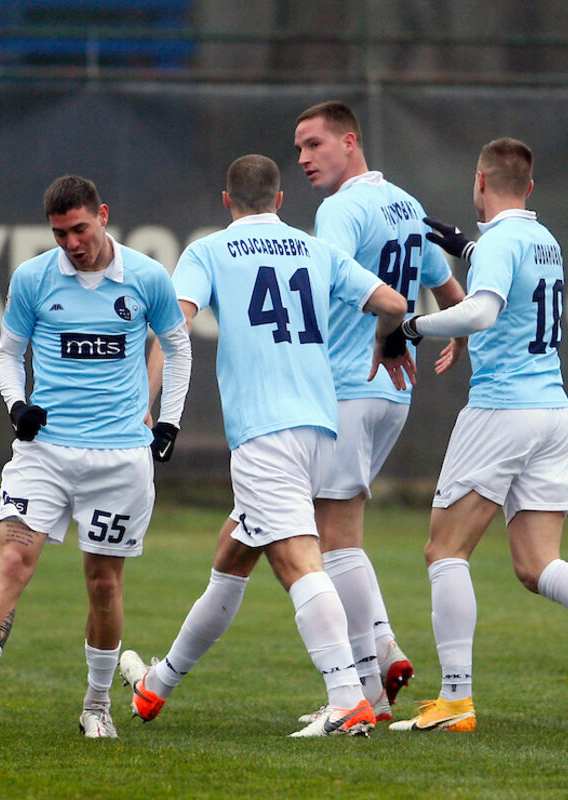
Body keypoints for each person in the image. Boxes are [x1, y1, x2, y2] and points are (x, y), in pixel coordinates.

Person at [120, 154, 413, 738]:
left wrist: (142, 404)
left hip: (264, 432)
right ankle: (157, 686)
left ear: (226, 201)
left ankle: (347, 700)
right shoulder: (315, 249)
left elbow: (174, 329)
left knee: (298, 561)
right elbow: (396, 304)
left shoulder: (208, 250)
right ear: (280, 200)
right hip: (320, 429)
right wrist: (387, 342)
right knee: (232, 557)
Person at [386, 138, 568, 733]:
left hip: (502, 409)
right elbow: (508, 281)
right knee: (538, 564)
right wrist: (467, 247)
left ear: (479, 182)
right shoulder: (544, 240)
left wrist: (410, 326)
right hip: (552, 412)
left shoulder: (499, 243)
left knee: (444, 552)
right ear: (530, 187)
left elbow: (482, 310)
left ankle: (456, 701)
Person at [0, 175, 191, 740]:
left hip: (119, 458)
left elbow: (178, 347)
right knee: (12, 561)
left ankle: (96, 705)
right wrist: (17, 405)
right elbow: (8, 354)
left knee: (103, 584)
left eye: (79, 229)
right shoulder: (32, 278)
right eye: (59, 234)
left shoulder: (147, 276)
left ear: (103, 215)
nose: (72, 243)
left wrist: (169, 420)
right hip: (44, 453)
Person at [291, 100, 468, 721]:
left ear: (350, 141)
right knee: (332, 533)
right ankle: (384, 648)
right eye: (299, 149)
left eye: (314, 144)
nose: (305, 158)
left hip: (350, 382)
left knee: (335, 540)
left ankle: (366, 695)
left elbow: (328, 277)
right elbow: (450, 292)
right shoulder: (406, 204)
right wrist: (456, 335)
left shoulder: (341, 209)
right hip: (392, 392)